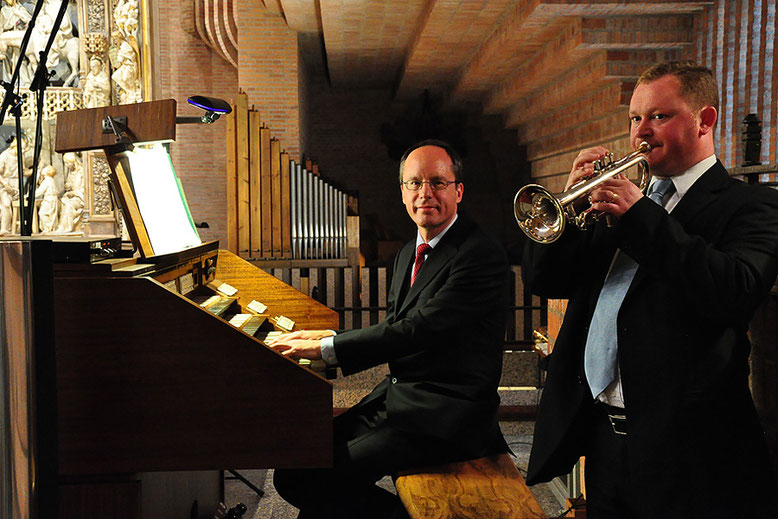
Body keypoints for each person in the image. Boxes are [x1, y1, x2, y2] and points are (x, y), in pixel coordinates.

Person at [522, 61, 778, 518]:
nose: (641, 131)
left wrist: (640, 214)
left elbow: (733, 290)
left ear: (704, 120)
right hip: (605, 441)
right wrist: (570, 204)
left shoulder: (752, 205)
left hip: (692, 454)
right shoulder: (619, 202)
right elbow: (547, 281)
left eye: (659, 116)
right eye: (635, 118)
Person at [268, 140, 510, 518]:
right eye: (414, 183)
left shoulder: (480, 255)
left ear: (459, 191)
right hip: (400, 400)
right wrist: (326, 338)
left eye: (438, 182)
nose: (425, 193)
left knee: (306, 481)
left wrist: (329, 349)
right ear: (402, 192)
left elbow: (417, 330)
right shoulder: (409, 251)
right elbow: (397, 326)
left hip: (446, 419)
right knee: (301, 461)